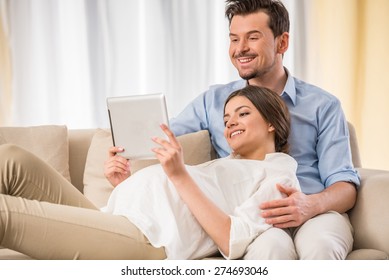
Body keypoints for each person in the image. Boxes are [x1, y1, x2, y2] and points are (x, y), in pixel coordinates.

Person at [107, 0, 360, 260]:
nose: (240, 49)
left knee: (322, 247)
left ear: (282, 43)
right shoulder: (214, 101)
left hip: (314, 211)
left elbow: (346, 185)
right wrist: (123, 149)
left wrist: (309, 205)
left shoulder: (323, 105)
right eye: (234, 39)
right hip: (254, 217)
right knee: (271, 250)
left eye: (252, 37)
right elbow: (160, 134)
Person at [0, 86, 298, 260]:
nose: (231, 122)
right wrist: (124, 186)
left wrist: (179, 174)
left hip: (147, 241)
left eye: (243, 113)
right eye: (227, 118)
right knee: (12, 158)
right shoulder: (229, 164)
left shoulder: (279, 173)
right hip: (116, 219)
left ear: (272, 122)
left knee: (6, 214)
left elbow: (231, 239)